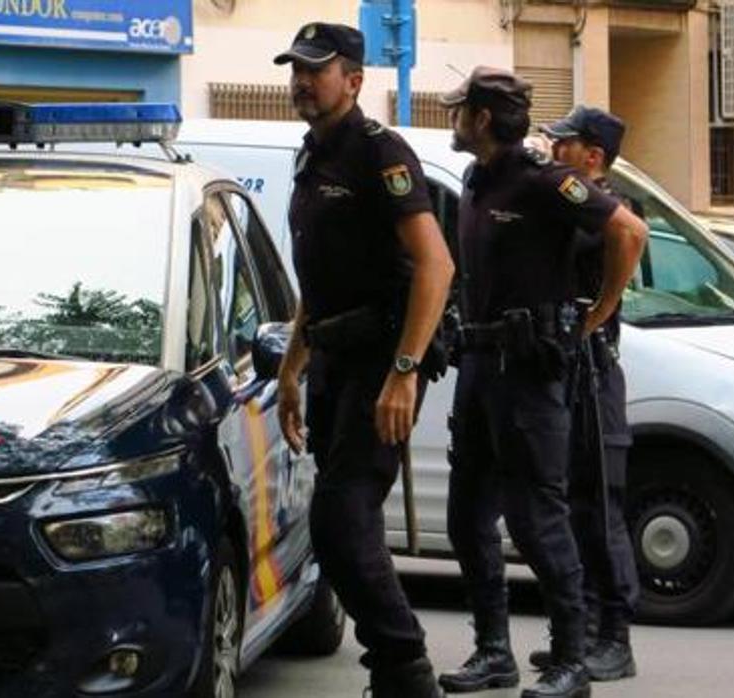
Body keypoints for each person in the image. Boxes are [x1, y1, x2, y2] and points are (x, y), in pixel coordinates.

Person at [436, 67, 647, 698]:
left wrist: (601, 309)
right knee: (466, 517)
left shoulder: (543, 181)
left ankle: (572, 661)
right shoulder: (477, 180)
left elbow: (628, 231)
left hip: (528, 377)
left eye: (459, 110)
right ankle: (493, 652)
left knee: (539, 520)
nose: (453, 119)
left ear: (481, 119)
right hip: (478, 368)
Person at [272, 22, 455, 698]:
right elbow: (315, 285)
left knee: (340, 521)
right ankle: (395, 675)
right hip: (333, 362)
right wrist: (292, 368)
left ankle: (405, 672)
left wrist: (403, 373)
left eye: (315, 69)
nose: (300, 80)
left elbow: (436, 264)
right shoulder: (310, 157)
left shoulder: (379, 152)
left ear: (353, 79)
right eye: (294, 68)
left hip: (381, 363)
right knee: (345, 525)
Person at [526, 105, 641, 682]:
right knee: (567, 504)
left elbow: (629, 241)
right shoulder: (561, 199)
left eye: (564, 143)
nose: (552, 148)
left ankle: (614, 637)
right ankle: (582, 629)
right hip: (562, 367)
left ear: (592, 156)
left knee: (598, 503)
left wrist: (600, 312)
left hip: (593, 370)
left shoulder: (613, 208)